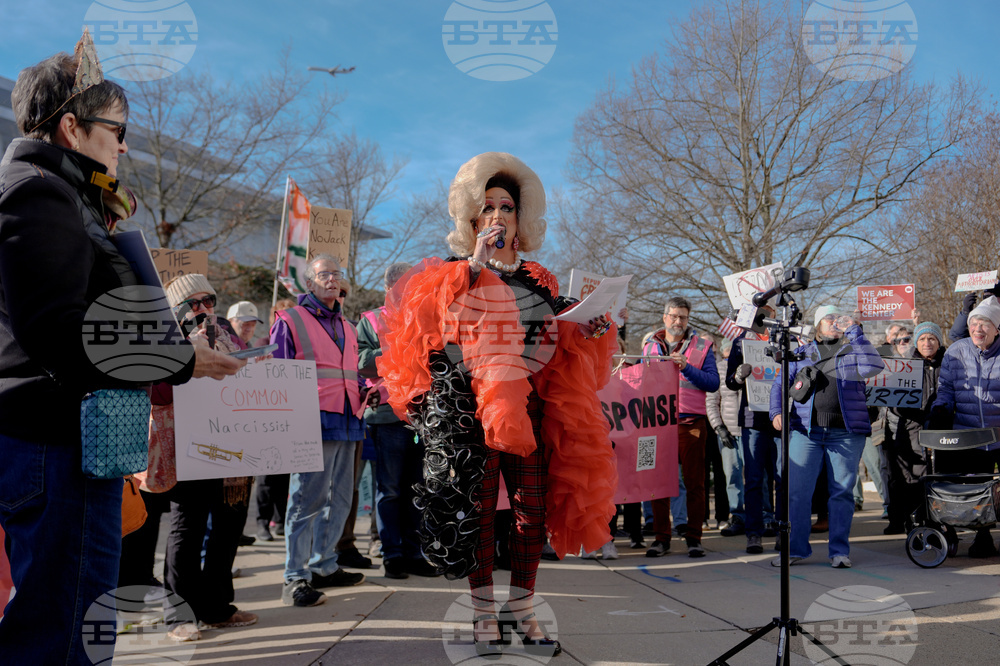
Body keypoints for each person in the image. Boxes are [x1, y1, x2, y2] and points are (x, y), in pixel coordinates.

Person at [0, 45, 243, 663]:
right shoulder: (40, 193)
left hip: (67, 441)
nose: (125, 146)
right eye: (117, 130)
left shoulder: (58, 194)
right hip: (59, 445)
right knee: (67, 628)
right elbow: (61, 333)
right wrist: (181, 359)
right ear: (70, 125)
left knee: (65, 616)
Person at [378, 152, 617, 658]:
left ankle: (523, 606)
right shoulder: (451, 272)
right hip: (469, 414)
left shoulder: (540, 279)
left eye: (507, 207)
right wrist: (476, 267)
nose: (498, 216)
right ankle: (483, 609)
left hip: (528, 409)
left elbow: (556, 340)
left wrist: (589, 329)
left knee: (532, 511)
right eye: (487, 208)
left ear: (519, 216)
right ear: (472, 217)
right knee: (479, 512)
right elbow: (426, 326)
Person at [159, 274, 259, 642]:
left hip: (234, 451)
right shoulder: (166, 341)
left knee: (228, 528)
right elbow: (159, 392)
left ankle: (217, 607)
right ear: (176, 310)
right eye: (193, 303)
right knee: (188, 529)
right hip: (190, 449)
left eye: (209, 301)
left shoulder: (228, 337)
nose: (203, 309)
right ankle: (179, 615)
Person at [271, 254, 369, 607]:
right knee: (306, 500)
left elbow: (350, 372)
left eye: (336, 274)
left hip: (349, 419)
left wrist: (369, 386)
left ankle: (325, 565)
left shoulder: (348, 325)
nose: (332, 279)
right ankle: (294, 578)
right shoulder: (290, 320)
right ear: (308, 284)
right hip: (311, 422)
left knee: (342, 499)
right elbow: (276, 376)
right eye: (323, 274)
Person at [770, 306, 882, 568]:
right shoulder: (801, 353)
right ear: (817, 325)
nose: (833, 322)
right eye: (827, 318)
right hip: (805, 433)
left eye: (837, 319)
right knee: (798, 493)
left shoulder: (854, 350)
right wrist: (776, 411)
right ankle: (795, 549)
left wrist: (855, 331)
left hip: (845, 434)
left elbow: (875, 366)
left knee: (842, 493)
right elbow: (779, 384)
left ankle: (839, 552)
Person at [358, 261, 442, 579]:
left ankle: (415, 551)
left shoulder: (425, 318)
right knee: (391, 489)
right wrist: (397, 350)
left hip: (421, 415)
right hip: (386, 415)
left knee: (416, 489)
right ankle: (392, 553)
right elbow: (360, 360)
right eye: (408, 285)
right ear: (391, 287)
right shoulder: (369, 320)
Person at [641, 297, 720, 558]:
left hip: (691, 424)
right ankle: (661, 539)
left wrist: (687, 368)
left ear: (688, 319)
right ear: (664, 317)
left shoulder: (703, 346)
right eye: (674, 316)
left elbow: (712, 383)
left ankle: (694, 538)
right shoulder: (650, 345)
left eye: (683, 317)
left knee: (695, 484)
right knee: (657, 483)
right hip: (657, 422)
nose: (678, 321)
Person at [931, 297, 1000, 558]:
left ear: (996, 328)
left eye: (985, 324)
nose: (978, 329)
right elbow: (946, 389)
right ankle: (982, 537)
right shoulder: (956, 351)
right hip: (969, 433)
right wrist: (940, 409)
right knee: (978, 489)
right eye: (974, 323)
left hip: (999, 432)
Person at [882, 321, 944, 535]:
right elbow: (892, 402)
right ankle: (912, 523)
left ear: (939, 341)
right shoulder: (905, 365)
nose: (927, 343)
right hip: (911, 431)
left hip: (943, 431)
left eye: (932, 339)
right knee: (911, 480)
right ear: (916, 343)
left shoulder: (949, 364)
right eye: (922, 339)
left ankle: (940, 521)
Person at [254, 298, 296, 541]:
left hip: (287, 419)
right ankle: (262, 522)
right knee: (267, 477)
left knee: (285, 474)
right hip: (266, 420)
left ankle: (280, 520)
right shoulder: (264, 344)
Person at [706, 338, 745, 537]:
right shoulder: (720, 369)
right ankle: (737, 515)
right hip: (728, 432)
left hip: (751, 429)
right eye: (729, 349)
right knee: (732, 476)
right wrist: (719, 427)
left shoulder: (751, 367)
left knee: (759, 478)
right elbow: (711, 401)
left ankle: (763, 515)